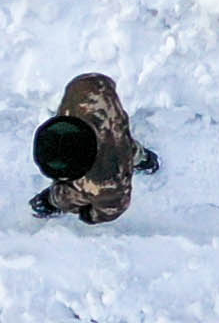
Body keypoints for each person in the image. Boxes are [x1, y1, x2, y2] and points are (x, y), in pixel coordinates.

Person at [28, 72, 159, 226]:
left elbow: (111, 208)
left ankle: (52, 201)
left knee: (73, 195)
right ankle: (143, 159)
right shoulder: (84, 90)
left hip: (109, 159)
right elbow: (98, 81)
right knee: (122, 145)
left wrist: (88, 216)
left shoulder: (105, 183)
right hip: (113, 127)